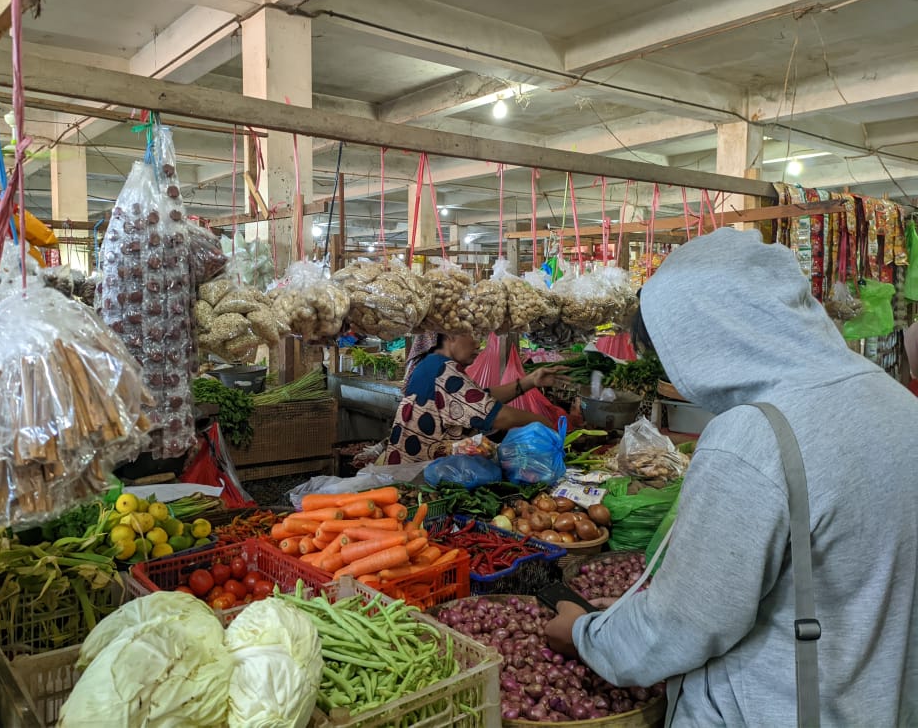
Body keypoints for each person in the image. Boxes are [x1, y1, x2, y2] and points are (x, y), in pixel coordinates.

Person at [544, 228, 918, 726]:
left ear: (705, 332)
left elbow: (688, 623)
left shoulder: (756, 435)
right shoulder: (898, 403)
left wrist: (586, 636)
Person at [382, 333, 565, 465]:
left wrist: (530, 381)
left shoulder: (432, 363)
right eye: (473, 335)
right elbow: (496, 416)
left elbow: (480, 398)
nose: (478, 344)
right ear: (450, 334)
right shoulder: (442, 369)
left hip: (412, 468)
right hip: (419, 473)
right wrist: (542, 421)